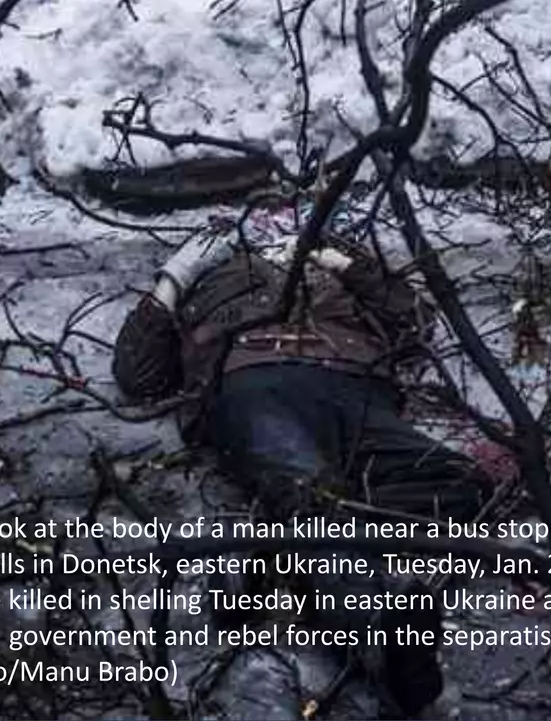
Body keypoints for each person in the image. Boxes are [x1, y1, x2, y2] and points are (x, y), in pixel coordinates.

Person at [113, 203, 498, 717]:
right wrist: (176, 278)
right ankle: (380, 638)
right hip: (254, 377)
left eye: (285, 210)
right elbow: (138, 376)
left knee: (459, 484)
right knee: (310, 497)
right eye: (258, 212)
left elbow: (417, 322)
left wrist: (344, 265)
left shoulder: (340, 263)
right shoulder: (215, 271)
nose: (272, 219)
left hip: (358, 386)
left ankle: (271, 559)